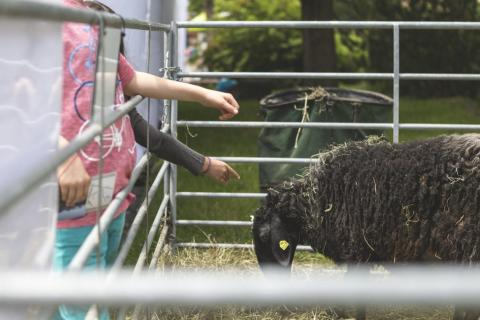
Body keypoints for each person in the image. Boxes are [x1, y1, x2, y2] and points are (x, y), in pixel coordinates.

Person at [55, 0, 240, 318]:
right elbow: (16, 105)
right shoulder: (37, 18)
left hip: (110, 193)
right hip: (73, 201)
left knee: (97, 288)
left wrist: (203, 94)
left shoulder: (97, 22)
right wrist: (61, 153)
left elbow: (130, 90)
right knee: (81, 305)